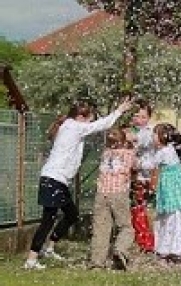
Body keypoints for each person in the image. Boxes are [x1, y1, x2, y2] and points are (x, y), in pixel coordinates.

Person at [24, 97, 132, 270]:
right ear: (81, 117)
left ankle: (49, 248)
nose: (91, 121)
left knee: (71, 214)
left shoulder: (69, 125)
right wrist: (119, 111)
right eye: (90, 117)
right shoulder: (74, 127)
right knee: (47, 220)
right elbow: (100, 125)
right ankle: (31, 259)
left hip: (57, 180)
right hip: (53, 179)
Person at [90, 128, 136, 271]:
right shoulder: (128, 154)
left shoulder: (105, 153)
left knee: (101, 229)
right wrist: (131, 142)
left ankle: (97, 263)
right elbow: (135, 166)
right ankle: (120, 250)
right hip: (118, 193)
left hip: (101, 193)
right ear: (123, 141)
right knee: (126, 227)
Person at [151, 123, 181, 265]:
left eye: (154, 134)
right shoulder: (170, 149)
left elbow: (151, 167)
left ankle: (172, 250)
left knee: (171, 218)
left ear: (162, 137)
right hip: (177, 191)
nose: (152, 137)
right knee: (178, 217)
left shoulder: (162, 153)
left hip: (170, 191)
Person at [125, 99, 155, 252]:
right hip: (131, 175)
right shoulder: (134, 130)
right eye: (136, 116)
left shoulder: (149, 132)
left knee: (139, 207)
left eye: (143, 117)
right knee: (133, 208)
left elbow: (136, 140)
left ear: (149, 118)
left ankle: (145, 241)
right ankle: (139, 238)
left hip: (143, 176)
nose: (139, 120)